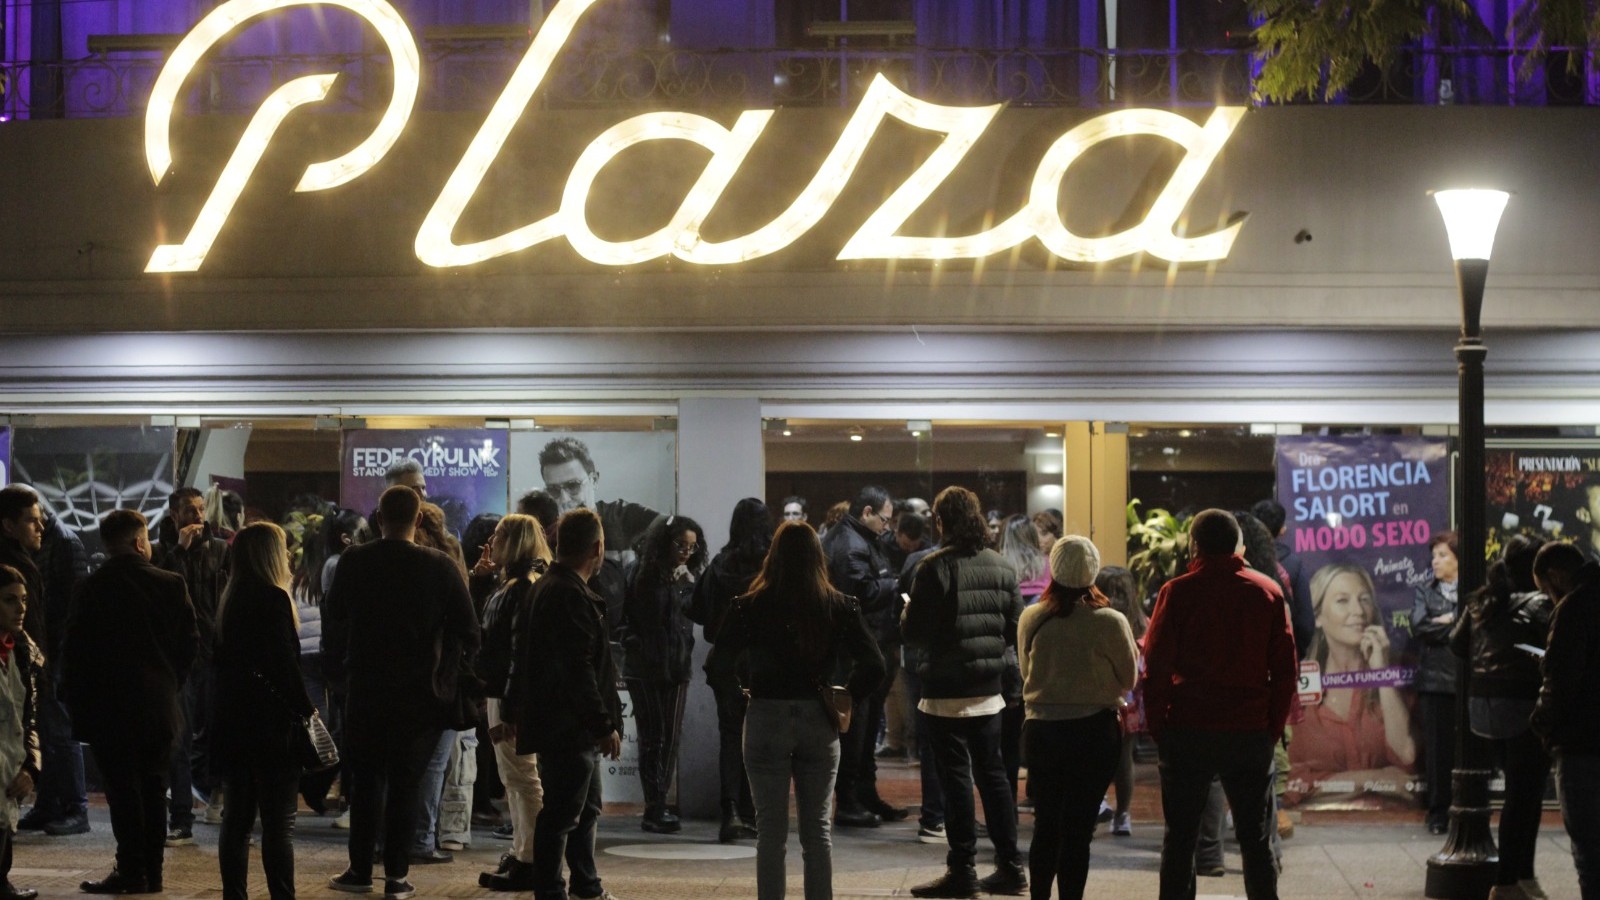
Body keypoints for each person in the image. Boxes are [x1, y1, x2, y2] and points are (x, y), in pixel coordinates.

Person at [705, 521, 885, 900]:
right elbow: (874, 665)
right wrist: (846, 696)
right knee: (817, 833)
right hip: (817, 718)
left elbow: (718, 666)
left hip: (766, 714)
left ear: (774, 558)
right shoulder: (838, 605)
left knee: (769, 833)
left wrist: (741, 699)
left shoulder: (748, 606)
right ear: (818, 559)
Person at [322, 485, 480, 900]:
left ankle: (360, 869)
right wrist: (445, 672)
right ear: (420, 519)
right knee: (407, 783)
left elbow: (333, 615)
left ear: (378, 518)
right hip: (419, 693)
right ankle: (396, 875)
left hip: (366, 687)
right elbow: (469, 628)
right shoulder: (440, 566)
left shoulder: (355, 561)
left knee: (367, 782)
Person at [1142, 509, 1295, 900]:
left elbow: (1155, 667)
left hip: (1188, 729)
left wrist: (1160, 727)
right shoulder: (1267, 592)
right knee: (1255, 840)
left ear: (1194, 545)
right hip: (1247, 731)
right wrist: (1271, 728)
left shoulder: (1177, 592)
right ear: (1237, 545)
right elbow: (1284, 671)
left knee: (1179, 841)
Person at [63, 509, 199, 895]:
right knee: (155, 789)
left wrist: (78, 700)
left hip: (109, 710)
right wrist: (170, 682)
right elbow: (190, 644)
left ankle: (131, 870)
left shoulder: (90, 588)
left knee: (122, 792)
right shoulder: (171, 584)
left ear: (108, 544)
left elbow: (74, 651)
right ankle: (152, 872)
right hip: (158, 705)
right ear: (141, 542)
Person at [902, 486, 1027, 899]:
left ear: (941, 521)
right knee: (993, 777)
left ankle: (962, 871)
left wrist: (906, 611)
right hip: (989, 690)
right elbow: (1015, 629)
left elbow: (914, 632)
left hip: (943, 690)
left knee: (955, 778)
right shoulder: (1002, 567)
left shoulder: (933, 567)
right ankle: (1010, 867)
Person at [508, 507, 624, 900]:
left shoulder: (547, 587)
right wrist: (602, 723)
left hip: (561, 724)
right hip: (569, 727)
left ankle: (586, 885)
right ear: (598, 547)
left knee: (583, 808)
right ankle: (553, 890)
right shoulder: (569, 594)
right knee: (561, 813)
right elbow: (580, 669)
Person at [1017, 536, 1137, 900]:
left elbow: (1026, 672)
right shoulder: (1109, 621)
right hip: (1094, 733)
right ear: (1093, 571)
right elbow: (1129, 678)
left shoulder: (1032, 616)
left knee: (1046, 824)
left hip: (1042, 731)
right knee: (1078, 828)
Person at [210, 523, 314, 900]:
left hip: (234, 724)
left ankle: (234, 895)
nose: (288, 556)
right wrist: (308, 711)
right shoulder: (274, 598)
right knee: (278, 824)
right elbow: (284, 666)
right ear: (270, 554)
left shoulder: (231, 598)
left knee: (236, 821)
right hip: (272, 727)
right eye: (283, 549)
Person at [1451, 535, 1553, 900]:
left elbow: (1457, 643)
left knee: (1520, 794)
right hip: (1524, 708)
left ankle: (1521, 877)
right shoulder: (1542, 602)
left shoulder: (1484, 599)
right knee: (1524, 797)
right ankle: (1510, 879)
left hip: (1484, 707)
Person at [1287, 563, 1416, 802]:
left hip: (1391, 823)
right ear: (1317, 617)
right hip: (1319, 827)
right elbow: (1294, 782)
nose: (1358, 611)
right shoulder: (1300, 681)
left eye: (1365, 599)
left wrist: (1382, 673)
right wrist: (1375, 778)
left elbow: (1407, 758)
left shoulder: (1397, 669)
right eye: (1343, 601)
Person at [688, 498, 772, 843]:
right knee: (762, 739)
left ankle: (731, 811)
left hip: (726, 663)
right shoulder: (772, 565)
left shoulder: (721, 564)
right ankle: (756, 811)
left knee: (730, 736)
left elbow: (696, 610)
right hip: (765, 664)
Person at [474, 514, 551, 892]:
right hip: (502, 691)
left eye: (500, 534)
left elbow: (518, 652)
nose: (493, 539)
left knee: (522, 777)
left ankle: (532, 858)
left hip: (507, 694)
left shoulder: (522, 586)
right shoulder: (515, 584)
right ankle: (525, 854)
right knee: (516, 777)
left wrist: (509, 705)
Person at [820, 486, 904, 828]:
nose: (887, 526)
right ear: (867, 511)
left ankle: (863, 793)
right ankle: (850, 799)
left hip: (864, 645)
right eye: (884, 519)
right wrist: (894, 584)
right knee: (855, 727)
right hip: (856, 649)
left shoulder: (856, 539)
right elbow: (861, 594)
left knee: (864, 728)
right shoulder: (851, 545)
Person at [152, 486, 229, 843]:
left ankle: (218, 797)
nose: (197, 516)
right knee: (179, 738)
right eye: (189, 510)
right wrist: (180, 550)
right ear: (174, 515)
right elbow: (162, 589)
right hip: (180, 657)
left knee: (216, 732)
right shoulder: (162, 551)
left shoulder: (220, 549)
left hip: (213, 653)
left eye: (200, 509)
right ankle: (181, 818)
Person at [620, 515, 706, 834]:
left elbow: (698, 613)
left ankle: (658, 805)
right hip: (645, 666)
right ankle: (653, 807)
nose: (686, 552)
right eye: (680, 545)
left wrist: (688, 586)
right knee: (653, 736)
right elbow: (636, 617)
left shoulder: (685, 576)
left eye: (692, 547)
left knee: (669, 737)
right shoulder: (641, 572)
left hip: (677, 665)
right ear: (664, 542)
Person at [1530, 540, 1600, 899]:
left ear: (1556, 576)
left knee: (1589, 852)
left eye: (1546, 590)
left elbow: (1561, 681)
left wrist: (1541, 726)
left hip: (1582, 742)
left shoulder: (1574, 607)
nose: (1548, 599)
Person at [409, 502, 476, 861]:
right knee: (438, 763)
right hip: (443, 675)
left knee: (397, 764)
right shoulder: (448, 558)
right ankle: (423, 838)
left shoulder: (403, 559)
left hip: (403, 676)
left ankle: (389, 839)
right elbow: (467, 624)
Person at [1410, 531, 1461, 835]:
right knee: (1438, 752)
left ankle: (1466, 808)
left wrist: (1445, 620)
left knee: (1466, 751)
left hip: (1467, 682)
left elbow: (1477, 623)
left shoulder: (1472, 590)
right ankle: (1438, 812)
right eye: (1434, 556)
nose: (1436, 561)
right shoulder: (1425, 591)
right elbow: (1420, 626)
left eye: (1443, 555)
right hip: (1435, 682)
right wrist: (1455, 622)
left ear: (1458, 558)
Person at [0, 565, 43, 900]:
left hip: (10, 760)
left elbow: (28, 716)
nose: (20, 607)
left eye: (24, 600)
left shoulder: (22, 649)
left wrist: (31, 766)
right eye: (10, 600)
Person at [1095, 565, 1147, 838]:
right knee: (1125, 757)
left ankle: (1096, 805)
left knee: (1095, 754)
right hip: (1130, 699)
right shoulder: (1141, 622)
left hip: (1099, 695)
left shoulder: (1097, 618)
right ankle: (1123, 815)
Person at [1251, 499, 1314, 656]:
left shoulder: (1240, 561)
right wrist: (1295, 654)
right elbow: (1305, 624)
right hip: (1283, 655)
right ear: (1282, 530)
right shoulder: (1293, 564)